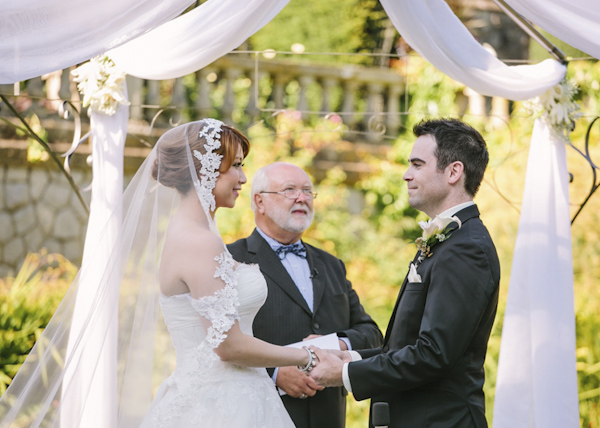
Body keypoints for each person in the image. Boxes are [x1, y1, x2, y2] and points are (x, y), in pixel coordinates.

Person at [0, 120, 318, 428]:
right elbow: (228, 346)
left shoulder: (198, 234)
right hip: (219, 405)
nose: (243, 178)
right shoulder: (198, 242)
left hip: (239, 394)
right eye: (235, 165)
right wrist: (307, 356)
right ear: (204, 170)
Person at [309, 118, 501, 428]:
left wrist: (344, 375)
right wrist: (352, 358)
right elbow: (408, 343)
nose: (405, 175)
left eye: (417, 164)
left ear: (454, 172)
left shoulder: (467, 248)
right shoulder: (449, 238)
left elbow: (433, 354)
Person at [228, 162, 383, 428]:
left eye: (308, 191)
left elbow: (371, 333)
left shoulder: (332, 264)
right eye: (290, 190)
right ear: (260, 202)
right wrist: (274, 374)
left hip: (329, 416)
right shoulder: (230, 260)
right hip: (260, 414)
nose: (302, 197)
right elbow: (215, 345)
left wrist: (337, 344)